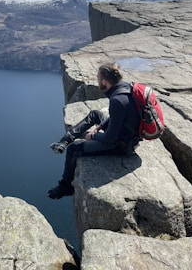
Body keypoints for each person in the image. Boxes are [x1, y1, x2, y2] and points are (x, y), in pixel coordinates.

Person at [47, 62, 141, 199]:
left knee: (74, 149)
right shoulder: (125, 87)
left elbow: (109, 138)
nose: (97, 81)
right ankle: (64, 141)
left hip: (122, 144)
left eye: (98, 78)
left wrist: (93, 136)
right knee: (96, 114)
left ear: (104, 81)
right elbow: (118, 117)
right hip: (126, 133)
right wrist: (100, 126)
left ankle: (65, 187)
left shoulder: (117, 100)